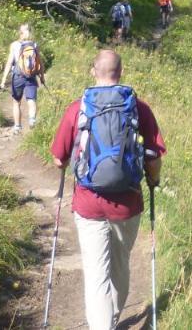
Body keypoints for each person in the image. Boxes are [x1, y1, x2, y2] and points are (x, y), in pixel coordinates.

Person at [51, 50, 165, 330]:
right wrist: (153, 180)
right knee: (120, 264)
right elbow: (154, 157)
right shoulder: (139, 109)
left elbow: (58, 158)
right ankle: (111, 317)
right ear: (121, 72)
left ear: (93, 71)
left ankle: (103, 325)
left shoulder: (78, 108)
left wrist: (69, 163)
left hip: (89, 205)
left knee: (96, 273)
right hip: (128, 204)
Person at [0, 23, 46, 133]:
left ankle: (17, 127)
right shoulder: (34, 45)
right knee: (31, 100)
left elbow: (10, 62)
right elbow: (40, 63)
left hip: (18, 76)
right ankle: (32, 119)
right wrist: (42, 77)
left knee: (16, 102)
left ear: (20, 33)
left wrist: (3, 79)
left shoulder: (14, 45)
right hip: (31, 76)